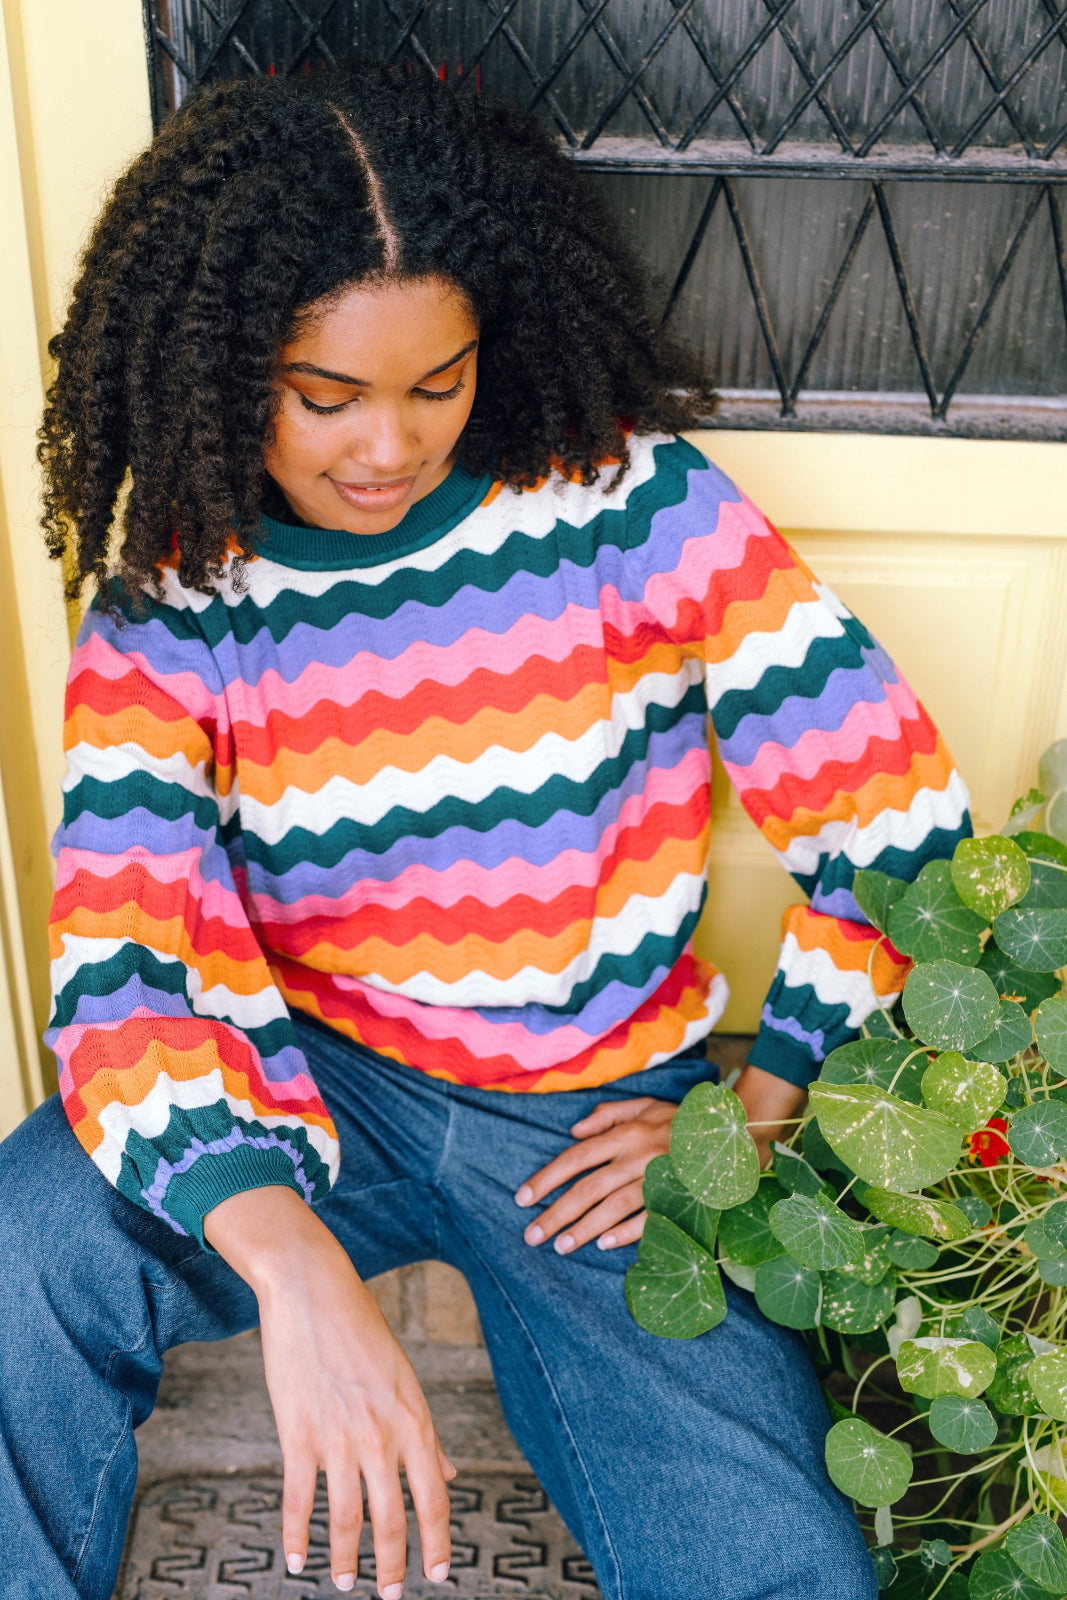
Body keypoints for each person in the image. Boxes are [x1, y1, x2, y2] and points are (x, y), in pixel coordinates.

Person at [0, 59, 968, 1600]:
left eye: (434, 383)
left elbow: (896, 818)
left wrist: (755, 1110)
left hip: (588, 1124)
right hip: (310, 1083)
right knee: (22, 1246)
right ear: (227, 361)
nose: (388, 447)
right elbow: (121, 971)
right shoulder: (174, 603)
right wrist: (290, 1261)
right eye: (325, 398)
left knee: (787, 1574)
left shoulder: (630, 503)